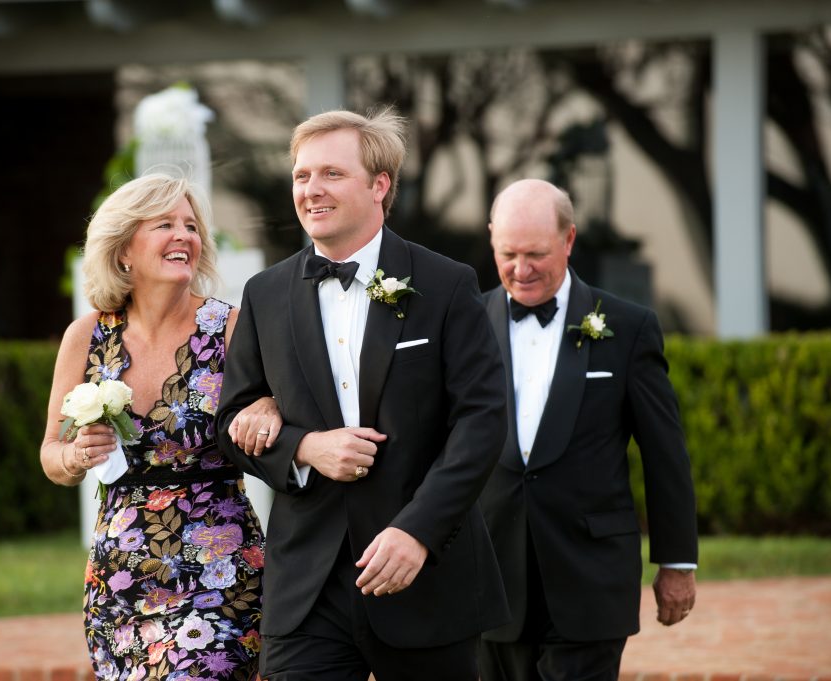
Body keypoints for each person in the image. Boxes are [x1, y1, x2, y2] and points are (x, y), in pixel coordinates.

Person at [213, 108, 510, 681]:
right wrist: (304, 448)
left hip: (426, 573)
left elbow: (482, 420)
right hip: (307, 586)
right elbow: (233, 422)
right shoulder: (265, 294)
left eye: (331, 174)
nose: (310, 190)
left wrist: (418, 531)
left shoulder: (446, 284)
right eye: (301, 176)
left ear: (380, 186)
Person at [40, 172, 277, 681]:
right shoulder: (86, 336)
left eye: (191, 227)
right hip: (120, 574)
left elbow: (275, 408)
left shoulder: (230, 328)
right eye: (164, 224)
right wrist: (78, 453)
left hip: (219, 563)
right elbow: (51, 456)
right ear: (124, 248)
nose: (184, 237)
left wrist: (270, 409)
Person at [478, 178, 699, 681]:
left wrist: (677, 562)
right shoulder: (464, 323)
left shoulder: (628, 326)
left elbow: (665, 454)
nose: (521, 268)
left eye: (536, 253)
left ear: (569, 240)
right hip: (489, 576)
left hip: (590, 575)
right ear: (491, 238)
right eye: (507, 253)